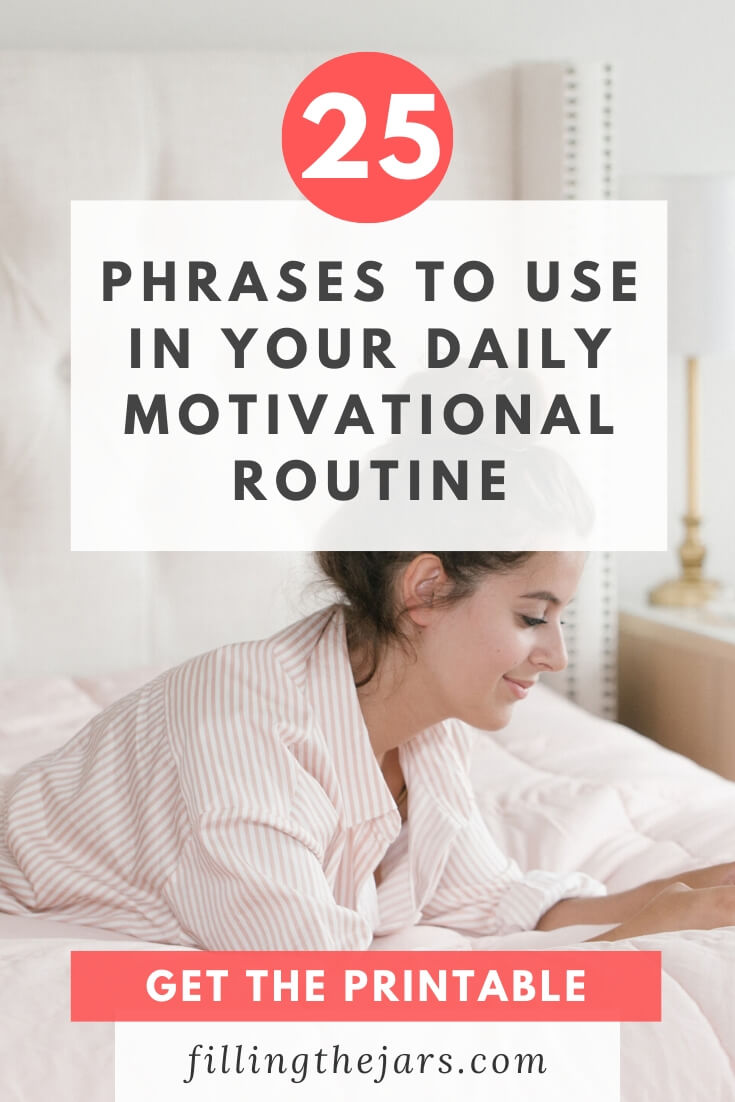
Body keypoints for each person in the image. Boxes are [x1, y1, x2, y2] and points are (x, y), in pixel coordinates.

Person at [0, 550, 733, 948]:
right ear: (424, 588)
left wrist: (685, 893)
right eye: (533, 616)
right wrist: (631, 942)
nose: (557, 655)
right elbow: (318, 988)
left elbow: (486, 901)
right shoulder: (240, 723)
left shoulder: (426, 730)